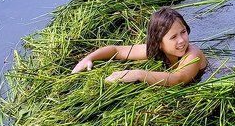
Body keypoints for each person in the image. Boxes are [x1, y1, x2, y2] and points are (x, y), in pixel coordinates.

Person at [70, 7, 207, 86]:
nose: (182, 40)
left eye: (183, 32)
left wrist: (137, 74)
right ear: (159, 42)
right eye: (173, 37)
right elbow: (117, 50)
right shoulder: (156, 49)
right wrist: (88, 59)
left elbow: (179, 78)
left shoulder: (192, 54)